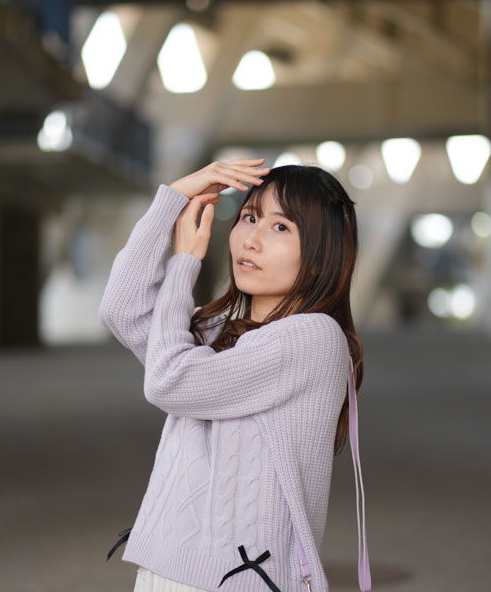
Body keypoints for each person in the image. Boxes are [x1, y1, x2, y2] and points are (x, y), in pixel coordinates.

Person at [99, 158, 371, 592]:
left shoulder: (312, 338)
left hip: (241, 580)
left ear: (321, 259)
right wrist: (173, 199)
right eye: (249, 217)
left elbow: (168, 380)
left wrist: (184, 263)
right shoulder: (219, 330)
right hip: (165, 567)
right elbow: (122, 309)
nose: (252, 239)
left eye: (280, 227)